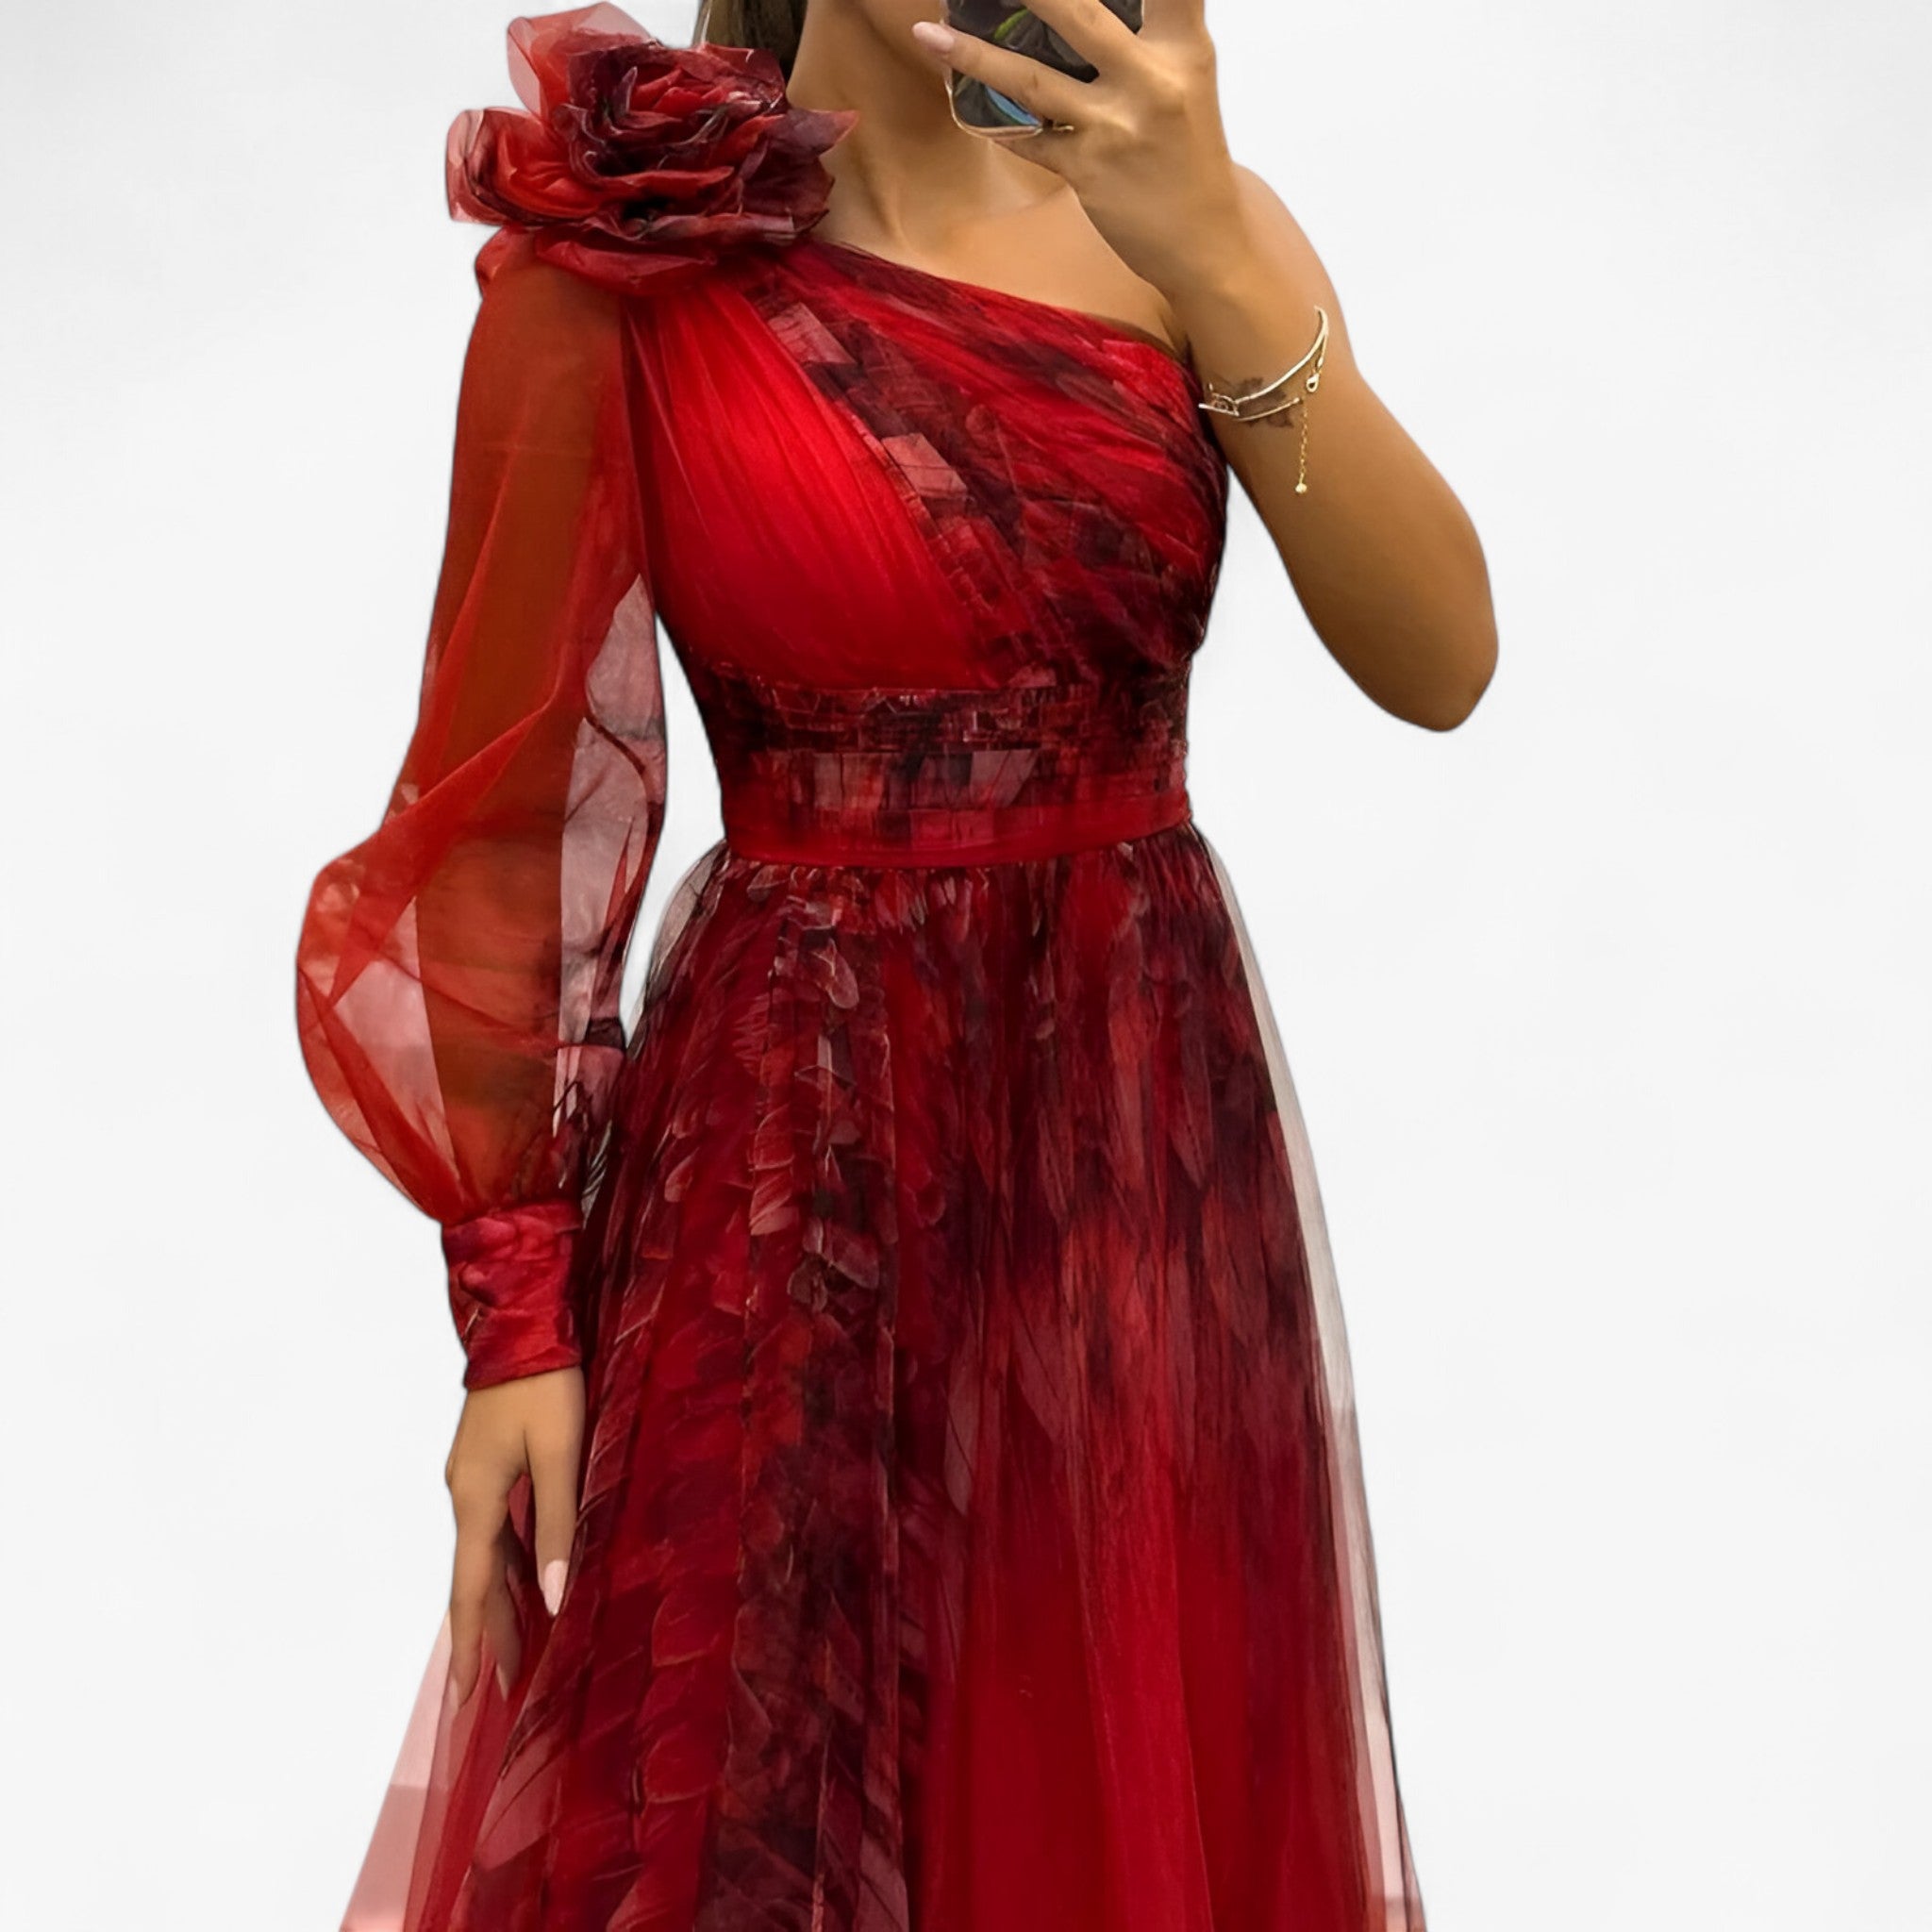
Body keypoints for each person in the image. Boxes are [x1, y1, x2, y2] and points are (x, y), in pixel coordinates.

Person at [295, 2, 1495, 1926]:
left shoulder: (1185, 230)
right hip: (792, 1158)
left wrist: (1206, 241)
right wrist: (514, 1311)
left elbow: (1439, 664)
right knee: (754, 1799)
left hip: (1132, 1157)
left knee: (1102, 1777)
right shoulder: (623, 269)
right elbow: (502, 812)